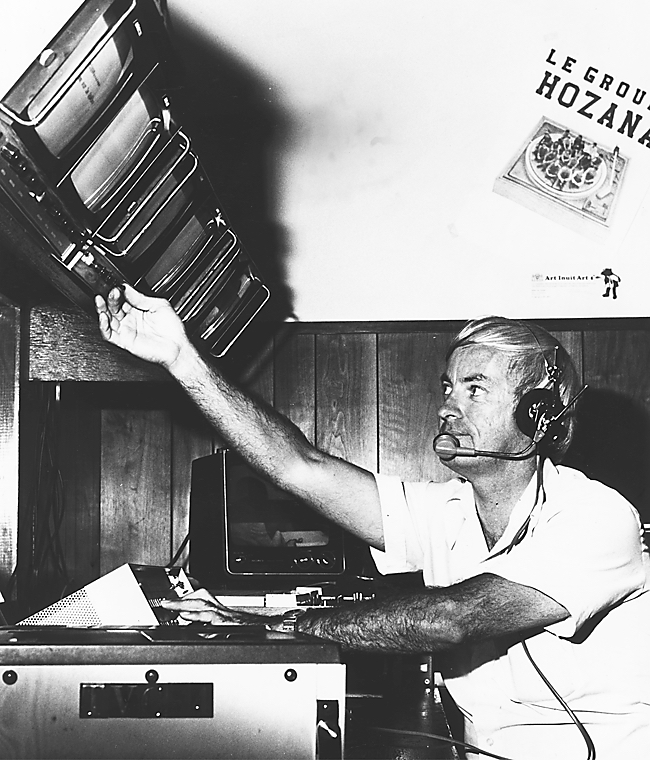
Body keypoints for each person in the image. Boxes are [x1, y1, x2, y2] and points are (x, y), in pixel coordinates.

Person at [95, 285, 649, 760]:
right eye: (447, 388)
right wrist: (182, 360)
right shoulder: (444, 511)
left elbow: (451, 618)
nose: (447, 407)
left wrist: (281, 629)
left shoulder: (598, 517)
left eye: (474, 388)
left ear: (539, 413)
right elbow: (299, 466)